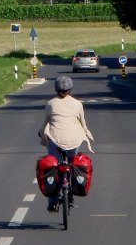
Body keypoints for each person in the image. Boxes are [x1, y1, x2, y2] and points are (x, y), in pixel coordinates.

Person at [38, 76, 94, 213]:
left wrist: (41, 133)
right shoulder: (77, 104)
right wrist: (86, 133)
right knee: (73, 162)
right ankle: (72, 190)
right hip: (73, 141)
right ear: (70, 89)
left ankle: (52, 202)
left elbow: (45, 123)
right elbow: (83, 124)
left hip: (55, 140)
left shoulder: (51, 103)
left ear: (56, 89)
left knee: (53, 165)